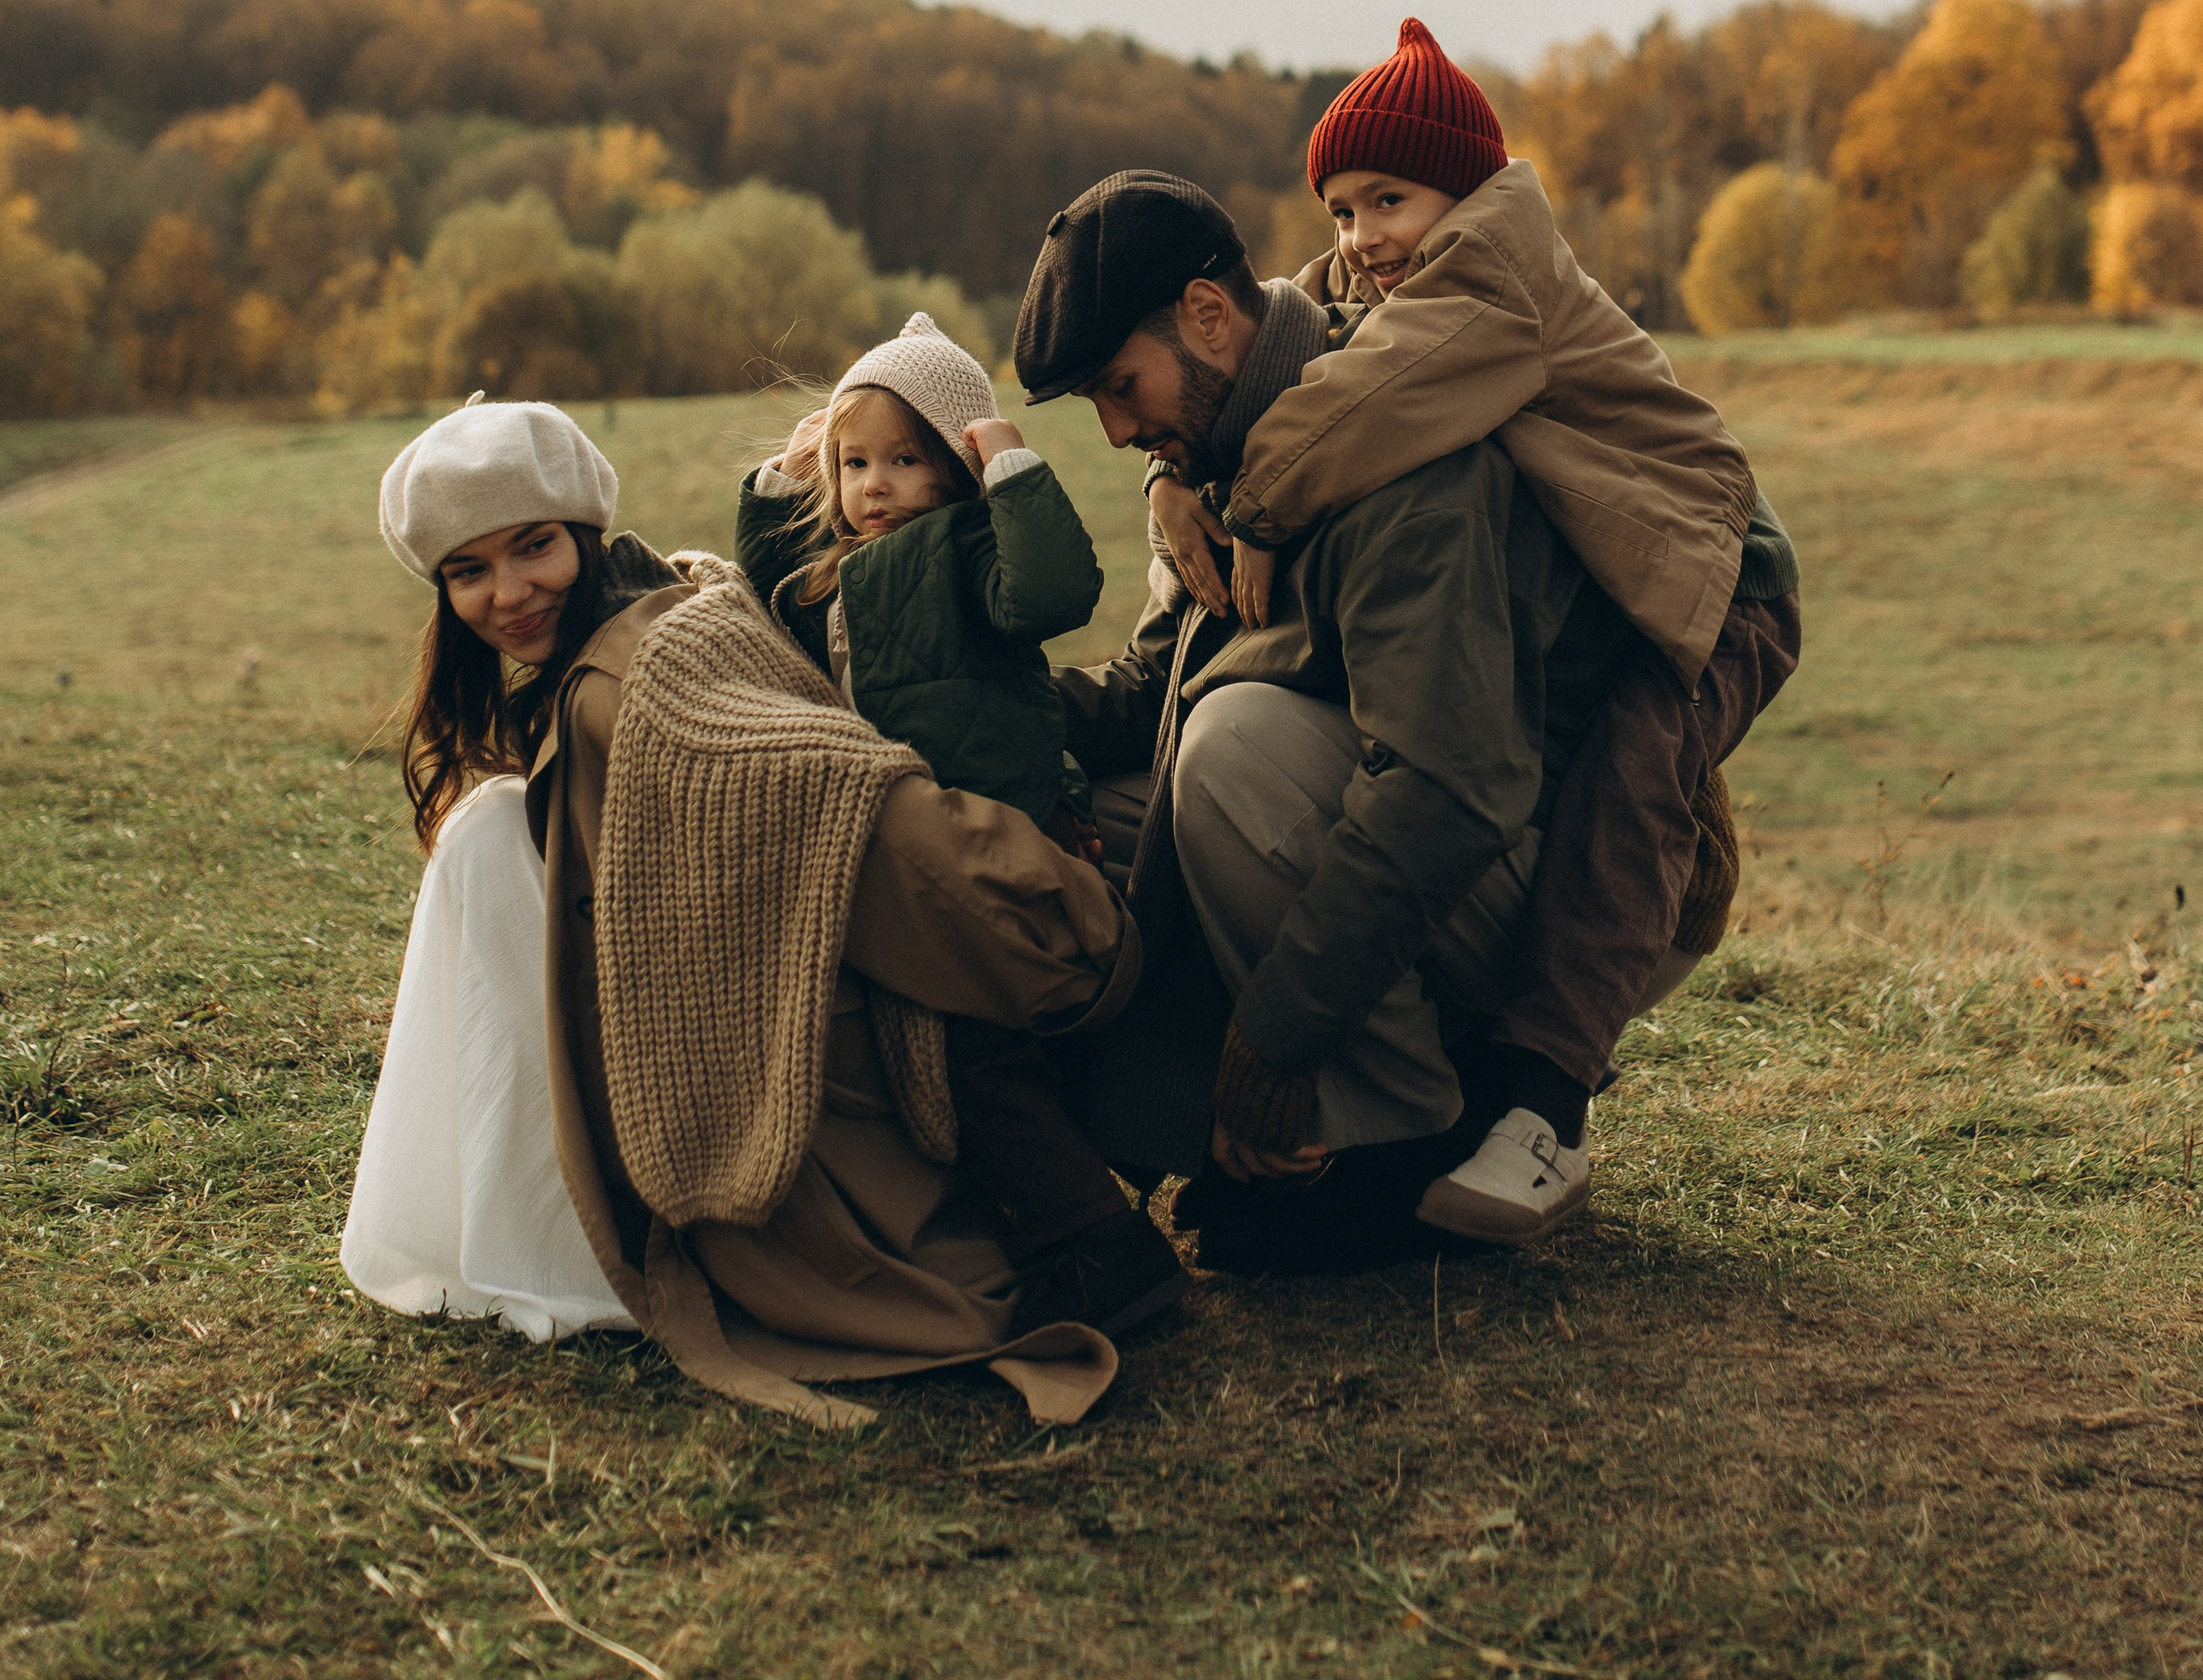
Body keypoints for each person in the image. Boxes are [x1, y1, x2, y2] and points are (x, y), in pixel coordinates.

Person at [344, 394, 1175, 1429]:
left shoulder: (636, 677)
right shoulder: (670, 602)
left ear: (584, 532)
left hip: (819, 1060)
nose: (509, 593)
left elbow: (841, 790)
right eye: (468, 572)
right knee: (484, 832)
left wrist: (1049, 911)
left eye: (533, 548)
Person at [1012, 164, 1788, 1269]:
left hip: (1580, 871)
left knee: (1234, 756)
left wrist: (1271, 1038)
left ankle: (1404, 1137)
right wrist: (970, 722)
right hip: (1438, 831)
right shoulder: (1229, 457)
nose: (1111, 429)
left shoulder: (1400, 443)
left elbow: (1450, 786)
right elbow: (1157, 685)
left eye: (1119, 386)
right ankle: (1159, 1130)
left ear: (1206, 316)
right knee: (1111, 802)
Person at [1196, 17, 1801, 1238]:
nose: (1362, 240)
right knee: (1598, 778)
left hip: (1725, 582)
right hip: (1637, 568)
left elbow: (1359, 392)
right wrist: (1175, 481)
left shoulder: (1493, 278)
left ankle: (1545, 1111)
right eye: (1340, 212)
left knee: (1628, 793)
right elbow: (1299, 324)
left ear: (1466, 190)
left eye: (1388, 199)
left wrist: (1250, 505)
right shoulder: (1410, 274)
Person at [735, 311, 1104, 851]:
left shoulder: (970, 549)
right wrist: (783, 480)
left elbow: (1052, 596)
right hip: (887, 829)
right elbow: (765, 597)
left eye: (904, 459)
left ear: (959, 467)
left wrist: (1011, 469)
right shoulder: (834, 571)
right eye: (854, 463)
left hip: (999, 825)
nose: (875, 484)